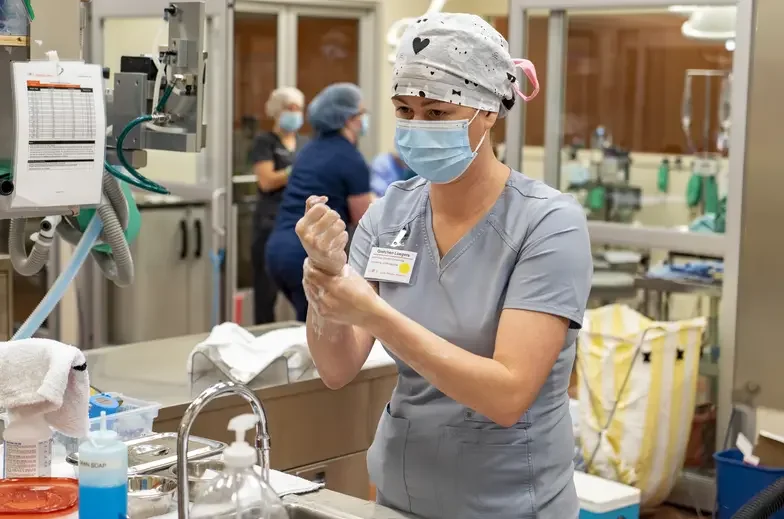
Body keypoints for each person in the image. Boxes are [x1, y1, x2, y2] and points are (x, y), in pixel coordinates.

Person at [294, 13, 592, 519]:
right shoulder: (391, 213)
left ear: (489, 112)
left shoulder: (547, 225)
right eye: (404, 110)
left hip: (511, 504)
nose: (416, 127)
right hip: (401, 496)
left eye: (436, 113)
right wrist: (324, 281)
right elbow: (337, 368)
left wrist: (375, 314)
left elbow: (508, 394)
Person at [265, 83, 373, 322]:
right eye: (362, 113)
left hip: (278, 251)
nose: (365, 119)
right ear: (348, 119)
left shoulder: (309, 149)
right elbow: (364, 218)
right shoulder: (351, 158)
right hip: (307, 255)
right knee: (323, 332)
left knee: (310, 326)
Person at [249, 87, 307, 324]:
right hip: (269, 223)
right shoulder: (265, 142)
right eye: (289, 109)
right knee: (265, 291)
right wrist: (294, 171)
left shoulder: (305, 143)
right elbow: (266, 181)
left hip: (299, 222)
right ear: (276, 111)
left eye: (298, 109)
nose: (294, 114)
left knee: (304, 290)